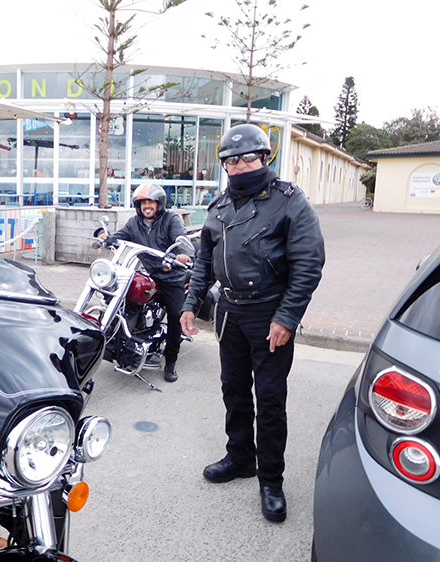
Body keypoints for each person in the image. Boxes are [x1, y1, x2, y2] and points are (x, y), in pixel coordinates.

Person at [180, 123, 325, 523]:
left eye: (249, 158)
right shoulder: (219, 207)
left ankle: (271, 479)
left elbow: (308, 265)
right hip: (230, 312)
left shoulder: (290, 202)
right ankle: (240, 457)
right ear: (224, 165)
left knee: (271, 399)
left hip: (269, 314)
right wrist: (191, 303)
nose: (241, 166)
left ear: (265, 158)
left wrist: (287, 317)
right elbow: (204, 261)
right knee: (234, 390)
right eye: (231, 160)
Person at [102, 184, 191, 382]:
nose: (146, 206)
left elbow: (180, 237)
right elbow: (120, 237)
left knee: (176, 315)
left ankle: (170, 361)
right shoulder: (135, 222)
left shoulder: (171, 219)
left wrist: (183, 253)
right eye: (143, 203)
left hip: (171, 275)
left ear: (159, 204)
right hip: (149, 273)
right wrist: (106, 239)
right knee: (122, 297)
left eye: (150, 202)